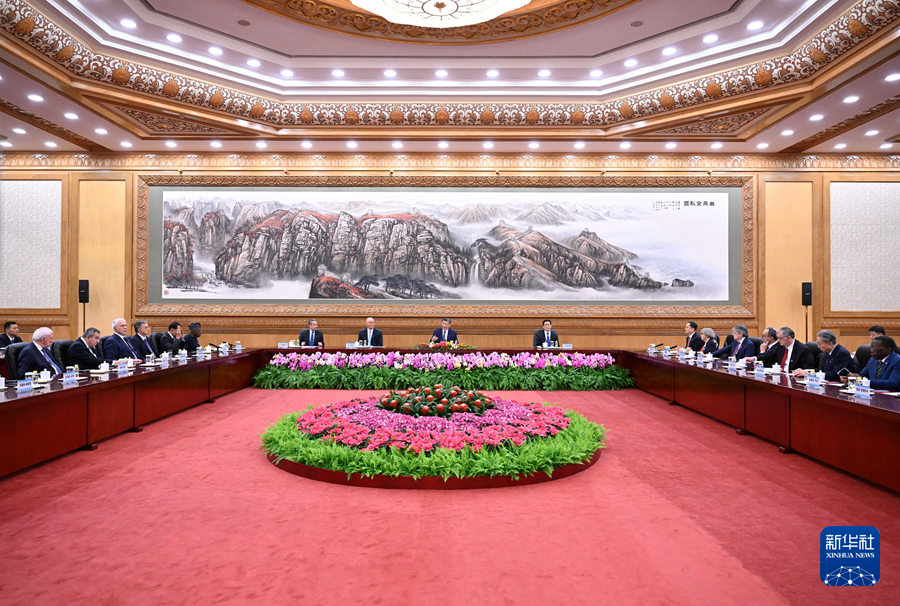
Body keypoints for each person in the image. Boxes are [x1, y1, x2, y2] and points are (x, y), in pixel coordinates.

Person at [746, 326, 814, 372]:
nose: (778, 340)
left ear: (788, 338)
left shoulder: (803, 349)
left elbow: (808, 369)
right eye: (777, 338)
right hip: (780, 377)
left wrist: (802, 372)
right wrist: (754, 358)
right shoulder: (780, 346)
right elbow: (769, 356)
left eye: (780, 338)